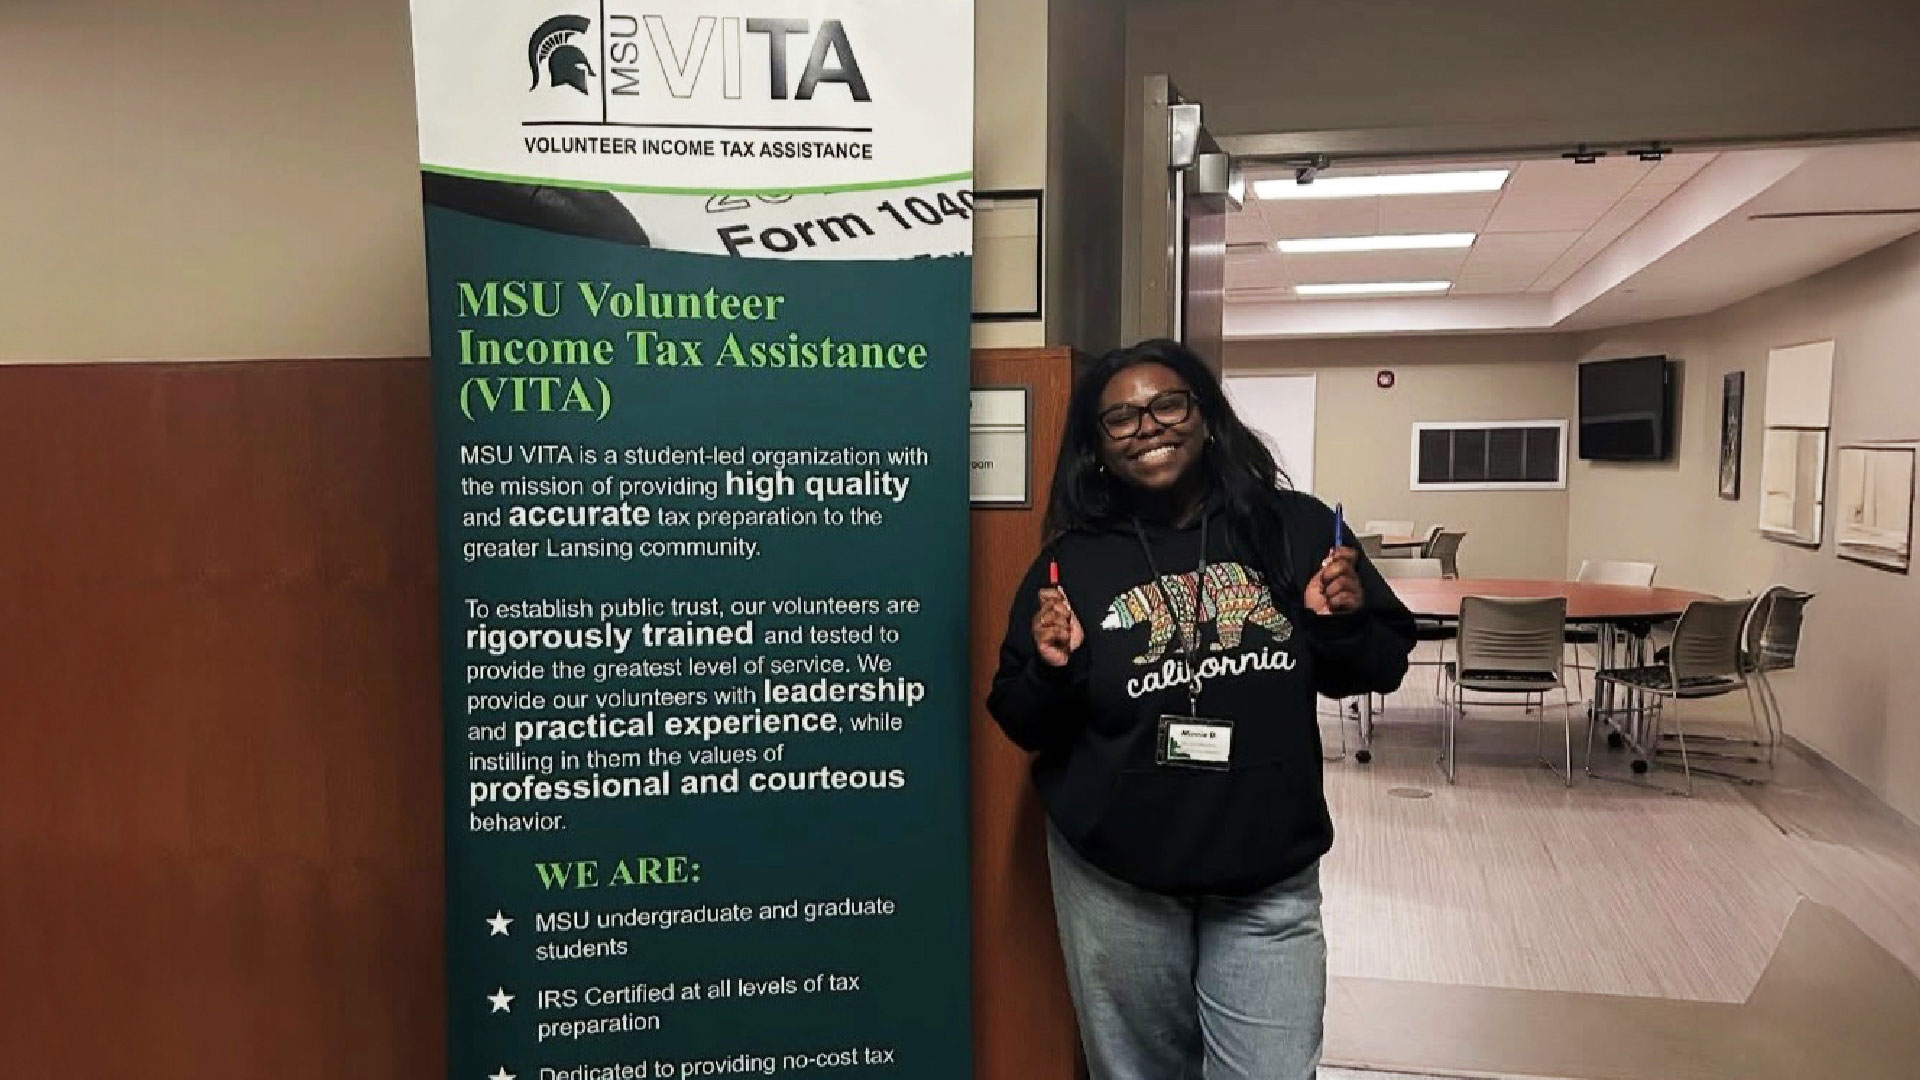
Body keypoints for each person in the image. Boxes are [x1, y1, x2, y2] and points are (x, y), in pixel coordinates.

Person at [986, 339, 1415, 1080]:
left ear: (1207, 416)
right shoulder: (1073, 563)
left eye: (1167, 404)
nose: (1146, 426)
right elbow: (1021, 716)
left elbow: (1376, 668)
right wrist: (1055, 669)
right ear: (1098, 447)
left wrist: (1339, 624)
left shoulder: (1297, 530)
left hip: (1265, 873)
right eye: (1119, 419)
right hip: (1118, 877)